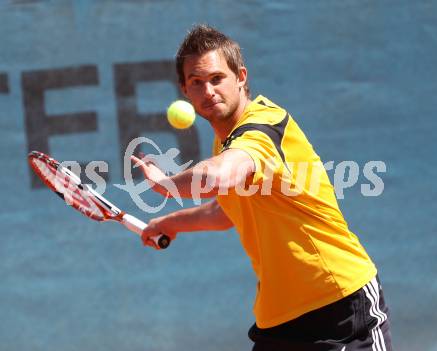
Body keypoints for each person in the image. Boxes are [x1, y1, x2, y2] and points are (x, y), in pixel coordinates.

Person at [131, 24, 393, 351]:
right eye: (196, 82)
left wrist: (167, 183)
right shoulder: (225, 141)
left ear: (241, 76)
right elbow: (228, 208)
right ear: (185, 90)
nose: (208, 90)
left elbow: (217, 178)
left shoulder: (263, 126)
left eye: (216, 78)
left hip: (339, 305)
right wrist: (173, 223)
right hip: (279, 318)